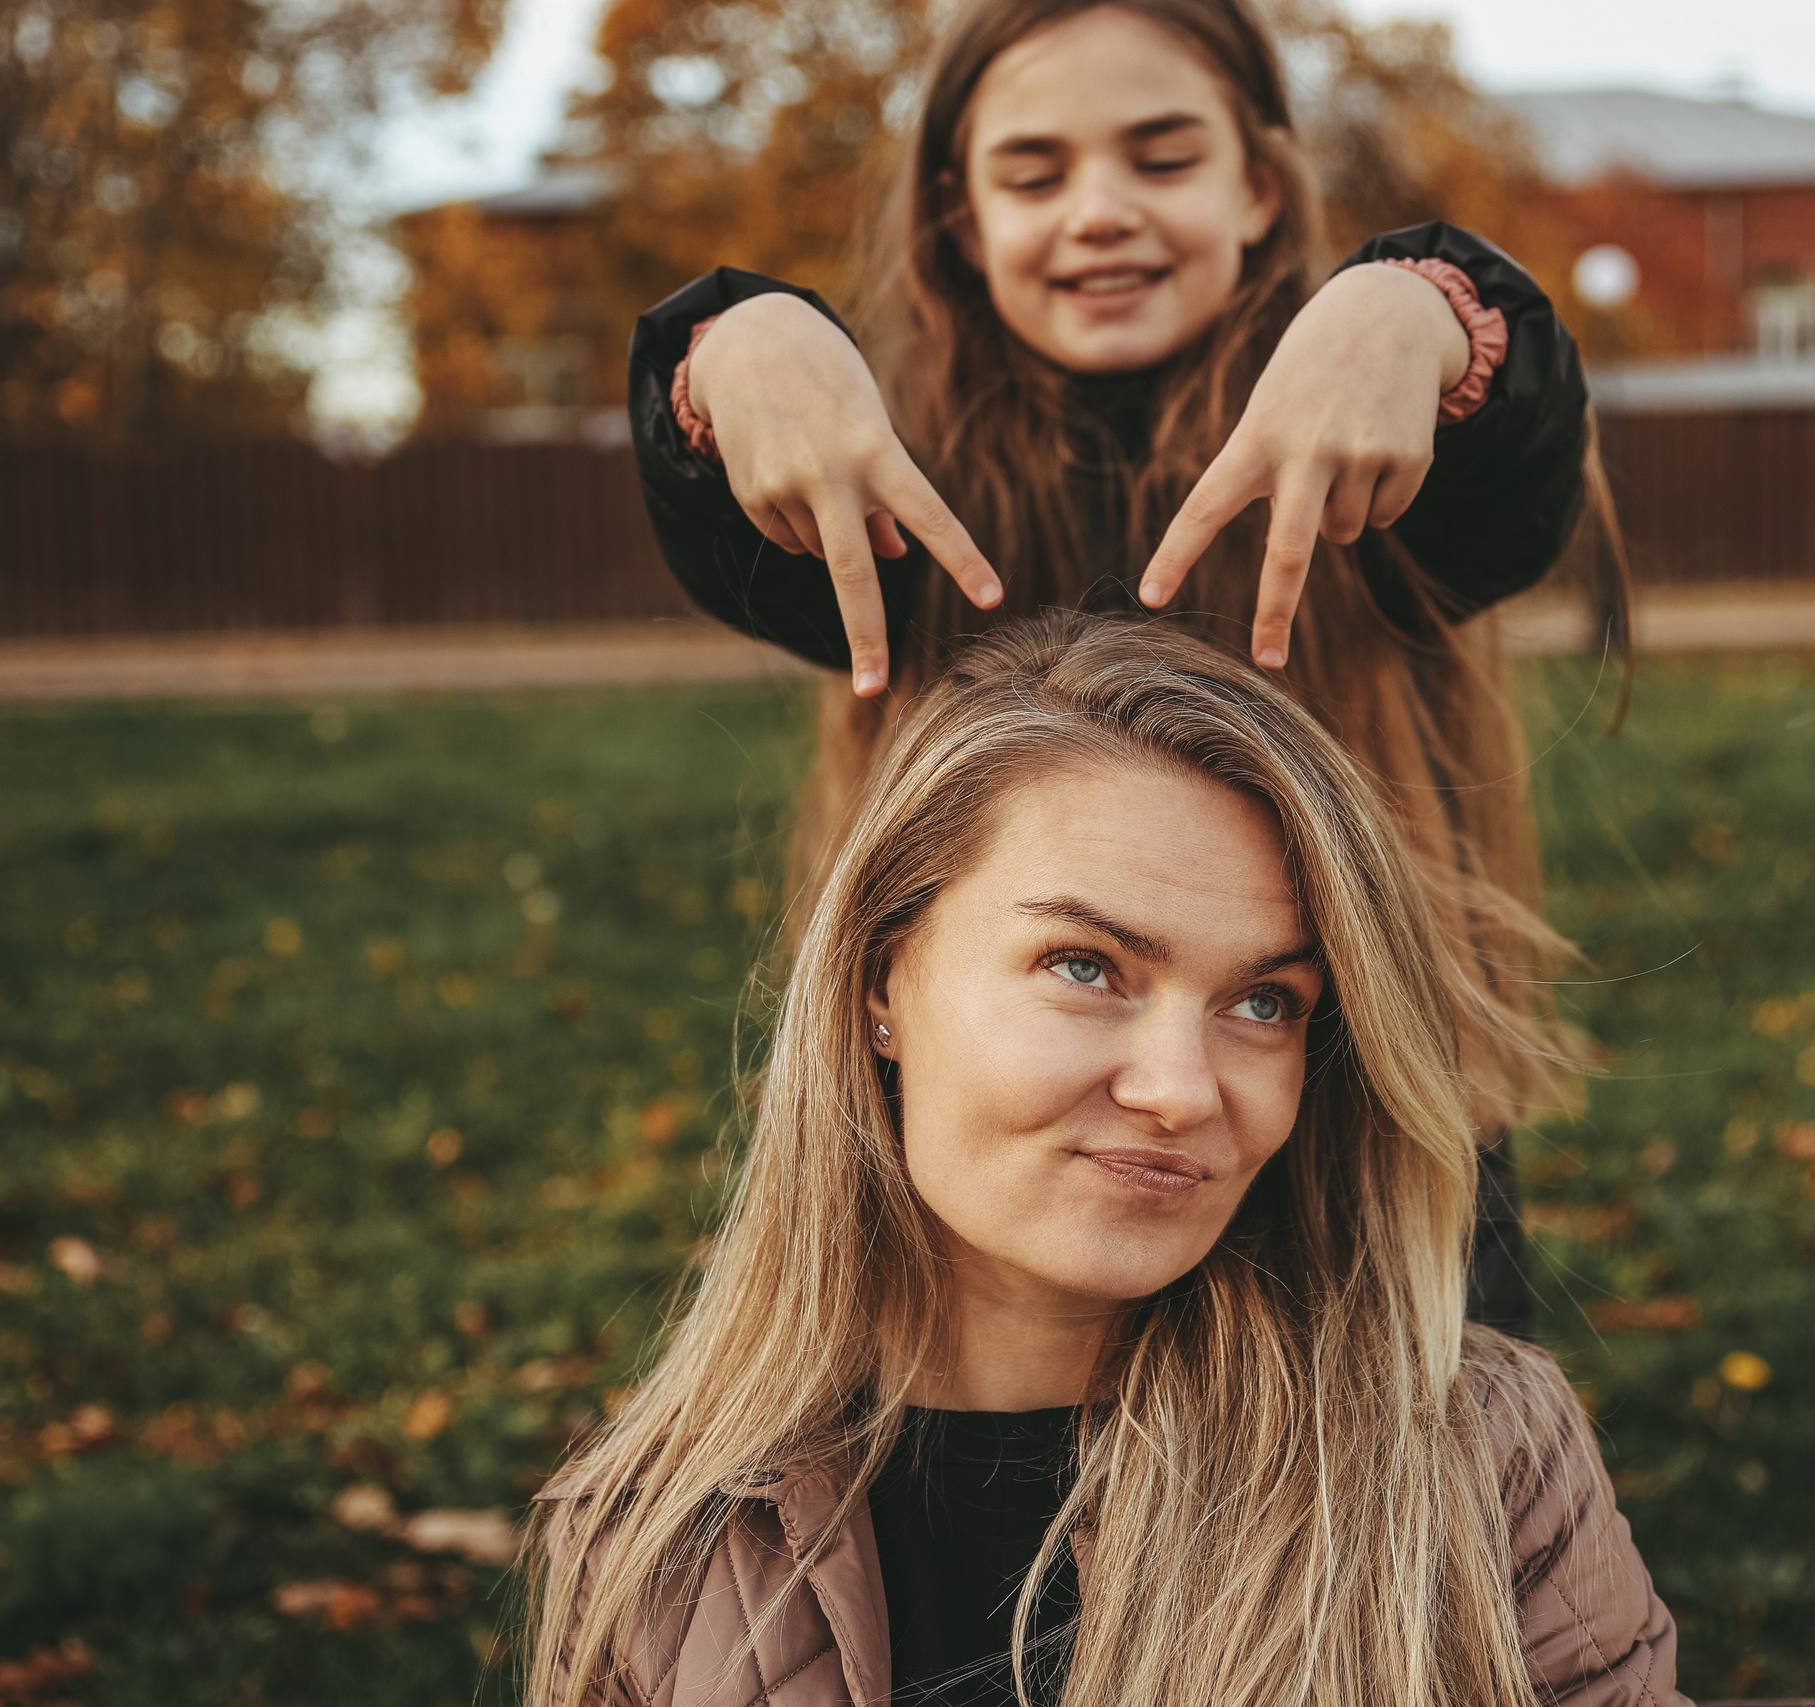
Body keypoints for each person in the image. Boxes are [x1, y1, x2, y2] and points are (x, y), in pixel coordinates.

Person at [626, 0, 1615, 1338]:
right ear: (960, 217)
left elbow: (1517, 464)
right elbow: (725, 527)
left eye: (1162, 158)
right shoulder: (895, 476)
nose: (1099, 212)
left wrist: (1414, 310)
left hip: (1366, 1139)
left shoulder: (1382, 449)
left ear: (1260, 186)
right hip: (1014, 1151)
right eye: (1035, 174)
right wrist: (734, 348)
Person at [528, 614, 1678, 1707]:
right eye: (1084, 966)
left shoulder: (1479, 1457)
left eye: (1264, 1002)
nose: (1180, 1091)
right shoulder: (645, 1544)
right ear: (880, 979)